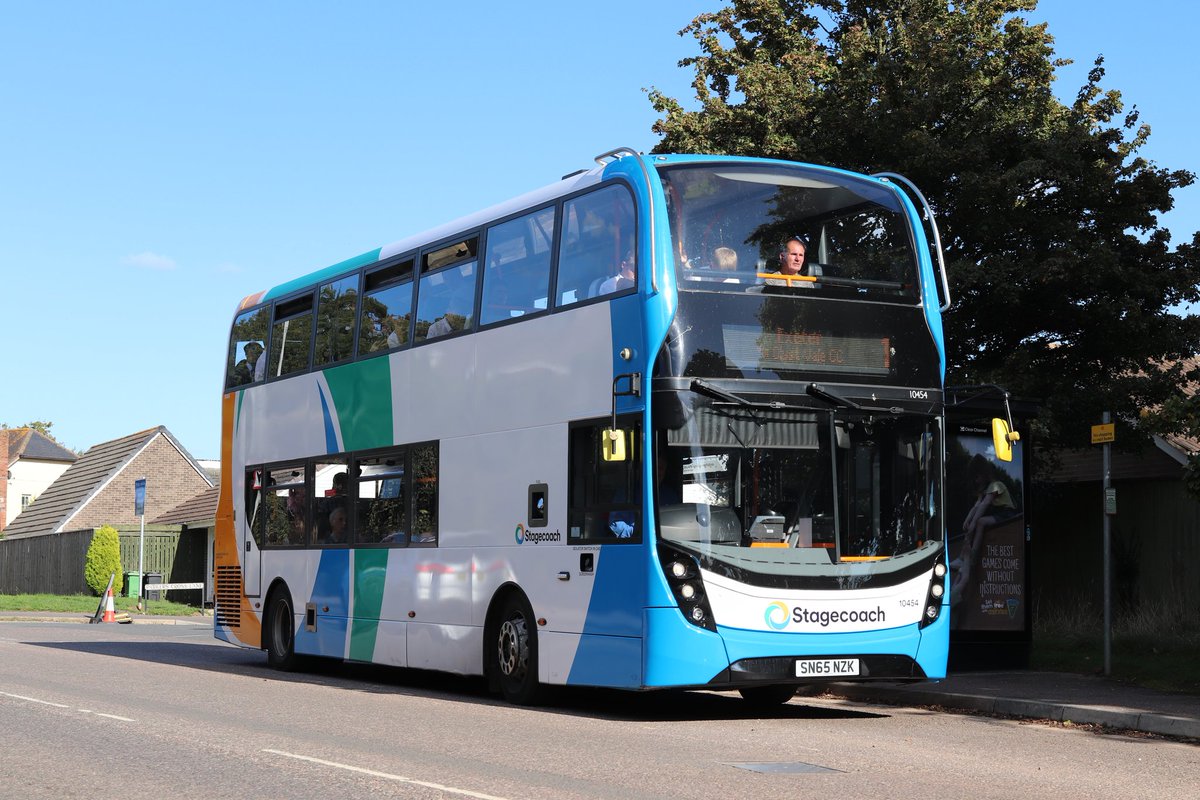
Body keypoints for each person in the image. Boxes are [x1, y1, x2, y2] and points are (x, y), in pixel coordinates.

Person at [949, 455, 1018, 604]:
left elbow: (985, 505)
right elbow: (976, 506)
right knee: (976, 522)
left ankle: (970, 556)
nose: (976, 480)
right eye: (974, 478)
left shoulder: (996, 485)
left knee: (979, 522)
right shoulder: (985, 490)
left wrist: (973, 522)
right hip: (997, 514)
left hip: (1007, 513)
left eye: (977, 477)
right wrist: (968, 520)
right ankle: (962, 557)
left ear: (984, 474)